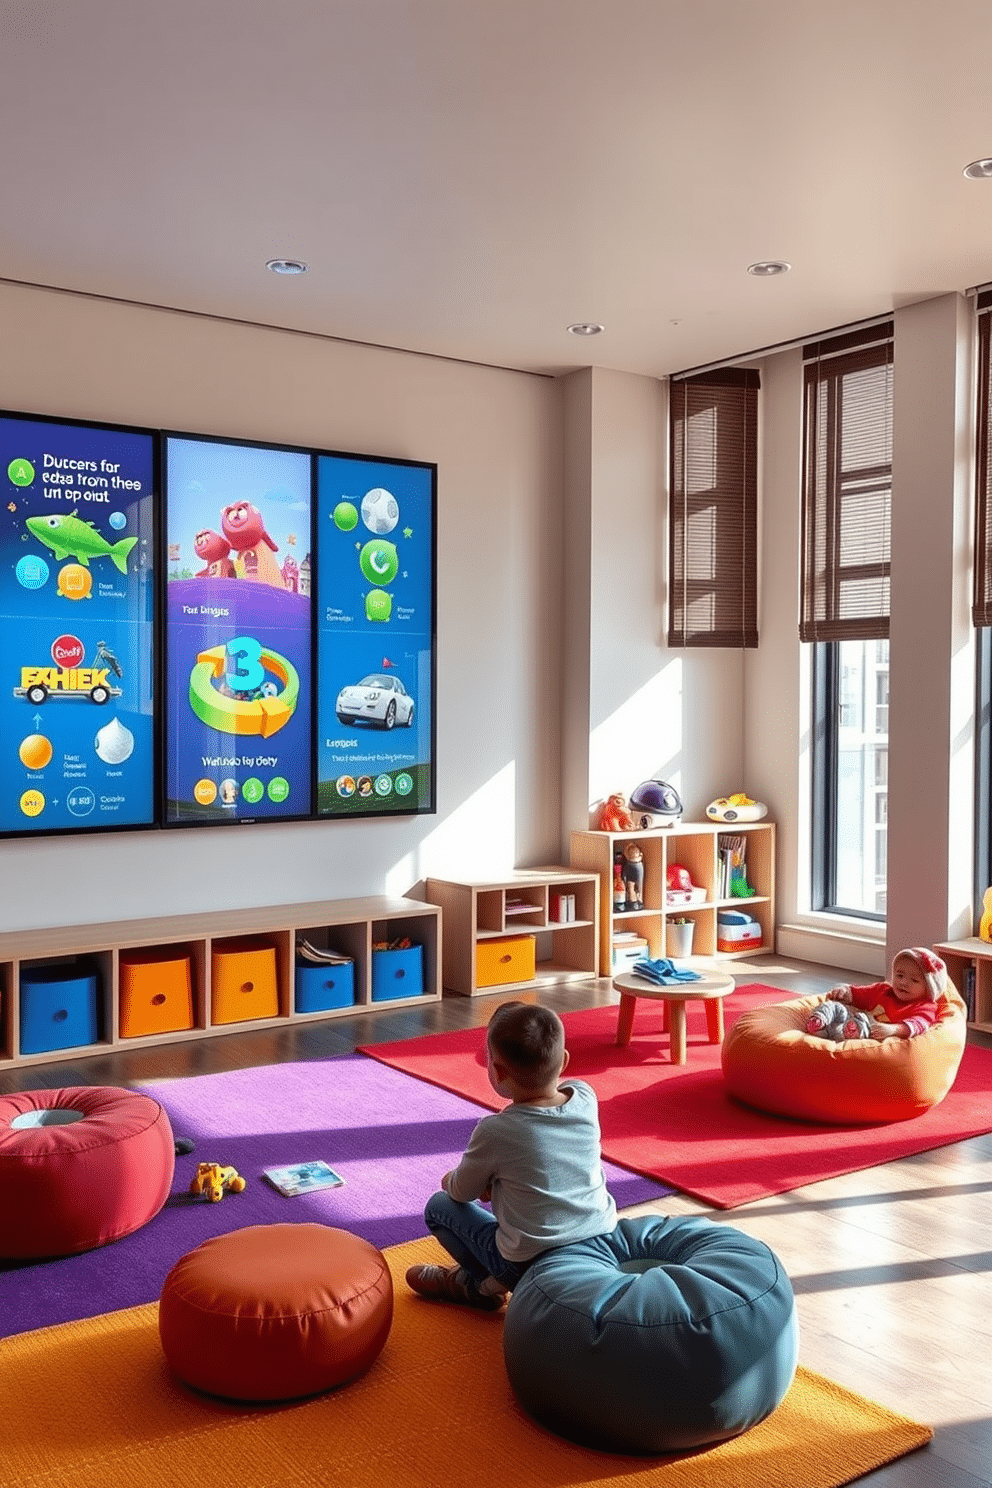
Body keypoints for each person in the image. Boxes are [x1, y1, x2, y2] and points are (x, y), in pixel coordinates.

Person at [405, 1000, 617, 1311]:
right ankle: (485, 1281)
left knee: (439, 1206)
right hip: (601, 1241)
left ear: (499, 1071)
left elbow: (462, 1192)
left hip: (526, 1264)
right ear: (565, 1061)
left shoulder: (496, 1130)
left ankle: (480, 1285)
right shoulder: (585, 1098)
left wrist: (452, 1179)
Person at [814, 946, 947, 1041]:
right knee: (835, 1007)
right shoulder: (883, 990)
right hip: (853, 1025)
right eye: (900, 975)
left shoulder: (925, 1006)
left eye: (914, 980)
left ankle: (828, 1030)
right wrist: (844, 992)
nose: (904, 983)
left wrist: (894, 1030)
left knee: (852, 1028)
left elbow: (918, 1025)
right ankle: (819, 1021)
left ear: (929, 989)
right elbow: (859, 994)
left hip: (870, 1039)